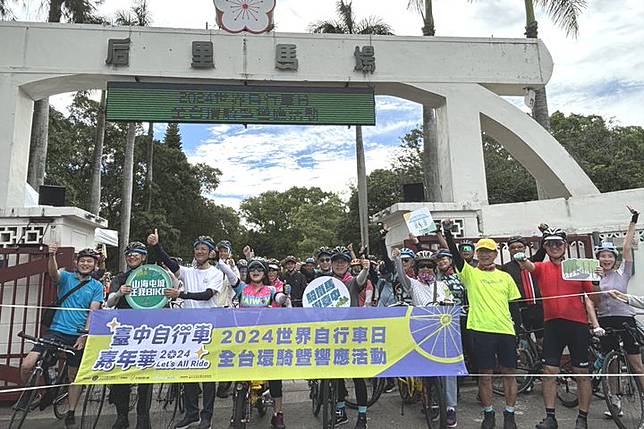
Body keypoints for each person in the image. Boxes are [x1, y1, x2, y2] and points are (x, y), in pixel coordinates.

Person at [515, 227, 604, 429]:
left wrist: (596, 282)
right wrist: (520, 258)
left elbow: (595, 300)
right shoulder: (542, 267)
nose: (554, 247)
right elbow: (528, 265)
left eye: (558, 243)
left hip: (577, 324)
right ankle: (550, 417)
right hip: (552, 324)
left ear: (565, 246)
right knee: (549, 370)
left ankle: (582, 417)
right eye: (550, 244)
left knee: (581, 372)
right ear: (545, 247)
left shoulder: (577, 267)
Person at [442, 220, 520, 429]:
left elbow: (514, 307)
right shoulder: (470, 274)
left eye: (489, 251)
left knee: (509, 373)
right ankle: (488, 413)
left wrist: (518, 331)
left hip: (505, 330)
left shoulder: (505, 276)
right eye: (481, 252)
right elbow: (456, 256)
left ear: (495, 254)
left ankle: (510, 414)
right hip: (480, 329)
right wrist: (448, 234)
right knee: (485, 375)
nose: (485, 255)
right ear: (477, 254)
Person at [148, 231, 229, 429]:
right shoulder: (187, 271)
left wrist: (181, 294)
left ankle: (206, 416)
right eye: (197, 249)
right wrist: (156, 246)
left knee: (208, 375)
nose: (199, 252)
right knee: (189, 372)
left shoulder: (216, 273)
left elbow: (206, 294)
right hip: (188, 329)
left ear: (210, 253)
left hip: (209, 327)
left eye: (203, 249)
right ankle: (192, 414)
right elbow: (168, 262)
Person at [19, 245, 104, 429]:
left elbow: (93, 311)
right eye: (82, 261)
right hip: (56, 330)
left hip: (77, 335)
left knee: (74, 376)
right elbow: (53, 274)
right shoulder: (66, 277)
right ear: (76, 263)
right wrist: (51, 255)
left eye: (90, 261)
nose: (86, 264)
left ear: (95, 265)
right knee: (27, 364)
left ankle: (71, 411)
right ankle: (33, 393)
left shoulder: (96, 286)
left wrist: (84, 335)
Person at [393, 249, 459, 427]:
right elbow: (401, 275)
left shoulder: (442, 286)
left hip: (443, 333)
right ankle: (431, 400)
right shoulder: (413, 284)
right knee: (427, 372)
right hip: (422, 333)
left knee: (449, 371)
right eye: (422, 266)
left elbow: (452, 305)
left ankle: (451, 407)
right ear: (416, 268)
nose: (426, 269)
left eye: (429, 266)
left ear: (434, 268)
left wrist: (450, 304)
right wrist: (397, 258)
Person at [594, 206, 643, 417]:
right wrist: (594, 281)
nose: (606, 259)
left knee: (635, 362)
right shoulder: (594, 275)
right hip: (606, 321)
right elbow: (592, 299)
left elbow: (625, 248)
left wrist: (633, 222)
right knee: (611, 363)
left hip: (625, 319)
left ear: (614, 259)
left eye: (609, 256)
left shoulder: (623, 272)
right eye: (602, 256)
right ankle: (615, 400)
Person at [231, 258, 290, 429]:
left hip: (267, 338)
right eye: (252, 269)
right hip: (245, 339)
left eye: (259, 269)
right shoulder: (242, 288)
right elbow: (230, 276)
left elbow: (278, 298)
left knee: (274, 377)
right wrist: (221, 260)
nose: (255, 272)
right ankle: (235, 413)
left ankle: (278, 414)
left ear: (264, 273)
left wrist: (284, 295)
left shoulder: (270, 289)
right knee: (240, 376)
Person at [104, 241, 154, 429]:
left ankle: (143, 416)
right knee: (121, 373)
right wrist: (119, 293)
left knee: (145, 375)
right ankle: (122, 415)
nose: (132, 256)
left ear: (143, 257)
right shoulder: (120, 277)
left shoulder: (153, 275)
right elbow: (108, 303)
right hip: (124, 330)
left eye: (137, 254)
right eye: (129, 254)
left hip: (148, 331)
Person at [329, 246, 371, 429]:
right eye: (336, 261)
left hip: (353, 335)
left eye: (343, 261)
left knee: (357, 377)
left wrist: (366, 268)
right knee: (337, 376)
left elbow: (361, 279)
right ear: (331, 264)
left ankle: (362, 416)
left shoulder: (352, 281)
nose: (339, 264)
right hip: (332, 335)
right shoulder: (324, 283)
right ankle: (341, 411)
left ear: (348, 264)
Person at [500, 232, 547, 346]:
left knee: (542, 339)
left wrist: (545, 233)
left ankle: (544, 359)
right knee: (523, 341)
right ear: (509, 250)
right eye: (513, 248)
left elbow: (543, 249)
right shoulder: (505, 268)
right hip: (520, 309)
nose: (516, 249)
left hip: (538, 307)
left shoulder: (534, 261)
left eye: (520, 247)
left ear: (525, 248)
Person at [215, 240, 239, 308]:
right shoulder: (213, 265)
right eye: (221, 251)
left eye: (225, 251)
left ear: (229, 253)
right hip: (214, 304)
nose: (222, 253)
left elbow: (237, 281)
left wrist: (233, 267)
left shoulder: (232, 267)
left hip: (228, 304)